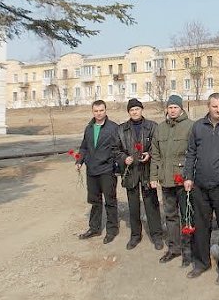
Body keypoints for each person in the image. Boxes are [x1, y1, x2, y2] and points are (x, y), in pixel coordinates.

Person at [183, 92, 219, 284]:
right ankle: (201, 263)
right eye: (214, 106)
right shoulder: (198, 127)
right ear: (208, 106)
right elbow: (191, 153)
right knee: (201, 226)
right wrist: (188, 177)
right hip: (200, 185)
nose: (218, 109)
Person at [150, 95, 194, 267]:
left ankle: (188, 251)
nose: (173, 110)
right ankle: (174, 249)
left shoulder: (190, 127)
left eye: (176, 107)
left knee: (187, 216)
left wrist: (189, 176)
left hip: (183, 181)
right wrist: (154, 176)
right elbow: (155, 155)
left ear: (181, 108)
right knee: (170, 215)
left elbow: (193, 154)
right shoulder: (160, 129)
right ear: (167, 109)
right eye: (170, 107)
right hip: (166, 180)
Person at [114, 98, 164, 250]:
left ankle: (157, 235)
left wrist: (149, 153)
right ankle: (136, 235)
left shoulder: (152, 126)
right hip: (131, 173)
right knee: (133, 205)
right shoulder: (121, 129)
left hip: (147, 172)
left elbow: (158, 147)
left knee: (151, 204)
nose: (135, 112)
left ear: (142, 110)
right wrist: (124, 158)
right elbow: (115, 150)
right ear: (129, 112)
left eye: (137, 109)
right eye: (132, 110)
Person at [75, 100, 120, 244]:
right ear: (92, 112)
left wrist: (116, 165)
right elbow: (83, 147)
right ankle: (94, 228)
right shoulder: (89, 128)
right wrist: (79, 161)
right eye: (96, 111)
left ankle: (112, 230)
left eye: (101, 110)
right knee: (95, 201)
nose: (99, 113)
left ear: (105, 110)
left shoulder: (113, 128)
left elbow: (118, 149)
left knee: (110, 201)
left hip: (107, 170)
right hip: (92, 170)